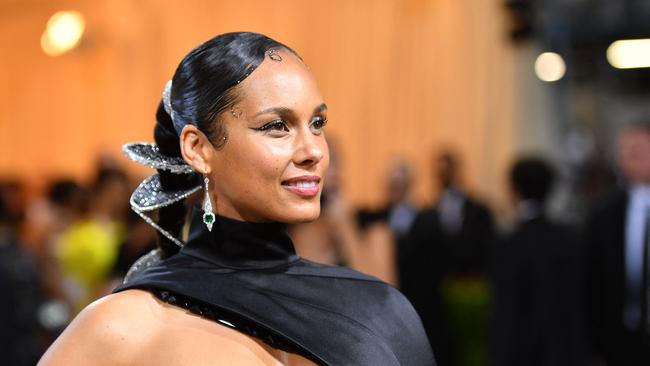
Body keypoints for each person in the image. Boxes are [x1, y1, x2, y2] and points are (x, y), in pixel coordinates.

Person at [39, 32, 435, 365]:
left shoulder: (378, 308)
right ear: (198, 148)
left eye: (317, 123)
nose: (313, 150)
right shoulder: (123, 325)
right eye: (277, 126)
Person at [489, 157, 587, 366]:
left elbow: (504, 313)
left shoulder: (509, 244)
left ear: (514, 190)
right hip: (563, 353)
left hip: (521, 354)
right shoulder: (569, 238)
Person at [585, 123, 650, 365]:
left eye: (640, 149)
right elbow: (592, 282)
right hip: (621, 341)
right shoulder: (603, 213)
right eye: (626, 150)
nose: (632, 156)